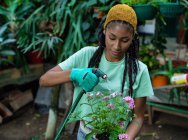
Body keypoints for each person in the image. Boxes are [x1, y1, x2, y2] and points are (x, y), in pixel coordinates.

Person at [39, 4, 154, 140]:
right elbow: (44, 80)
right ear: (105, 31)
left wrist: (125, 138)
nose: (117, 46)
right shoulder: (86, 55)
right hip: (85, 134)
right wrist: (74, 74)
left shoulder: (139, 70)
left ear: (133, 38)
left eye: (125, 40)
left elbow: (139, 117)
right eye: (112, 38)